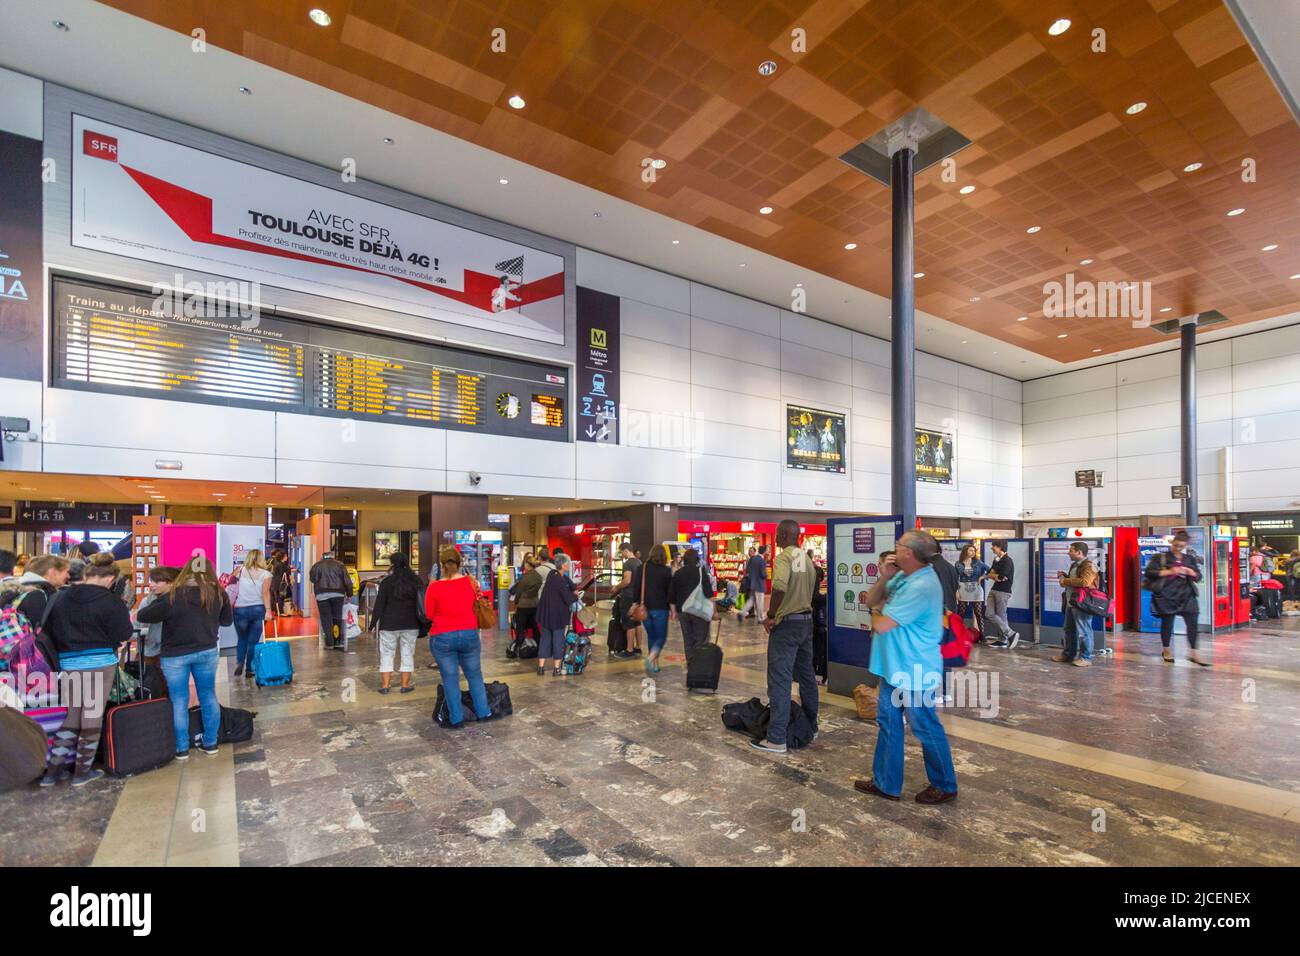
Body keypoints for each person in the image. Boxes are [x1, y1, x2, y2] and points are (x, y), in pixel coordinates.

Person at [852, 530, 958, 804]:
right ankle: (886, 783)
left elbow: (881, 623)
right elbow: (870, 600)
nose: (895, 549)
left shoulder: (922, 585)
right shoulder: (902, 576)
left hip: (914, 671)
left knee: (925, 727)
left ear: (909, 553)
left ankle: (945, 784)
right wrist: (885, 577)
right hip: (893, 668)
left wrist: (877, 612)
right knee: (888, 723)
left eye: (899, 546)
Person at [40, 553, 134, 787]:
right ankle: (83, 771)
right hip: (100, 663)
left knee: (72, 715)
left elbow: (47, 629)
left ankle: (52, 772)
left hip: (69, 663)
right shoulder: (111, 601)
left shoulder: (60, 598)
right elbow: (124, 633)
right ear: (110, 578)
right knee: (91, 716)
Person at [137, 555, 232, 760]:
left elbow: (143, 616)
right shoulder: (217, 593)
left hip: (175, 655)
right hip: (206, 651)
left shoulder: (174, 596)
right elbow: (226, 622)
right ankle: (211, 742)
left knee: (179, 700)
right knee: (208, 696)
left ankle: (181, 748)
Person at [751, 520, 819, 754]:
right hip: (806, 623)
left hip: (787, 625)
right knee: (807, 677)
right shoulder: (806, 560)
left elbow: (778, 586)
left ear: (781, 536)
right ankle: (812, 725)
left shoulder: (783, 558)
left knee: (780, 679)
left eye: (778, 536)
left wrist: (770, 615)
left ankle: (777, 737)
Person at [424, 545, 492, 727]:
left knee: (450, 678)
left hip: (443, 636)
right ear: (460, 563)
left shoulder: (434, 588)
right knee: (475, 675)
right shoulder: (471, 582)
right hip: (469, 633)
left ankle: (456, 719)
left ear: (441, 564)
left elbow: (429, 615)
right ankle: (484, 712)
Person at [1144, 531, 1209, 667]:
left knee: (1192, 623)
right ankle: (1166, 650)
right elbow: (1150, 572)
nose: (1178, 548)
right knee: (1167, 623)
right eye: (1176, 545)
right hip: (1167, 595)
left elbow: (1198, 577)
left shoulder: (1189, 559)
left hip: (1187, 595)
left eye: (1181, 546)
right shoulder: (1160, 558)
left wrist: (1192, 573)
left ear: (1185, 545)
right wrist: (1169, 571)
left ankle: (1193, 652)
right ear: (1172, 543)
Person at [372, 552, 423, 693]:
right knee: (407, 653)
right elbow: (421, 602)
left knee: (387, 653)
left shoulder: (387, 582)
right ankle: (405, 685)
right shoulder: (415, 580)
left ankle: (385, 686)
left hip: (389, 623)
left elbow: (379, 604)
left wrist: (372, 623)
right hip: (410, 622)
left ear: (392, 564)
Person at [535, 552, 582, 676]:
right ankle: (556, 669)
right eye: (568, 563)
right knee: (558, 640)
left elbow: (570, 583)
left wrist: (573, 588)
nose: (569, 565)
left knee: (545, 639)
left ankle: (541, 668)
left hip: (545, 614)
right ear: (563, 565)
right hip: (557, 616)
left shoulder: (553, 574)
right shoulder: (559, 581)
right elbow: (568, 598)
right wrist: (575, 596)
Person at [628, 544, 673, 674]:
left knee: (652, 636)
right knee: (661, 637)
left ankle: (654, 664)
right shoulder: (666, 571)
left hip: (645, 609)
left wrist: (635, 603)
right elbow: (669, 592)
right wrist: (672, 608)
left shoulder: (642, 568)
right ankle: (651, 658)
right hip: (661, 609)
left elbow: (637, 588)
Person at [230, 549, 273, 678]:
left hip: (240, 608)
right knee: (253, 641)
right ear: (261, 559)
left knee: (242, 638)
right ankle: (249, 669)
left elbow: (230, 586)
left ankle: (239, 662)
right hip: (258, 609)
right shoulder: (266, 574)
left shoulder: (240, 570)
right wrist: (269, 610)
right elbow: (265, 593)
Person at [1054, 542, 1097, 667]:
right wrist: (1065, 576)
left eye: (1071, 551)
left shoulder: (1089, 565)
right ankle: (1068, 654)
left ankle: (1086, 657)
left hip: (1082, 604)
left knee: (1084, 631)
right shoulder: (1075, 565)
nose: (1069, 553)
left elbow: (1085, 582)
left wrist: (1065, 580)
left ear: (1079, 552)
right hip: (1071, 603)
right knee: (1069, 630)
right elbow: (1076, 581)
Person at [670, 547, 714, 661]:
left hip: (683, 611)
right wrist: (714, 611)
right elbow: (709, 594)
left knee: (688, 640)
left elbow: (672, 595)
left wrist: (673, 612)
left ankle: (691, 663)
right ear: (697, 559)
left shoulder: (678, 573)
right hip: (699, 611)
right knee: (701, 639)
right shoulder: (701, 572)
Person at [309, 550, 353, 650]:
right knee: (337, 617)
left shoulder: (317, 565)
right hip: (338, 594)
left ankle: (329, 643)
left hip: (322, 594)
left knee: (326, 618)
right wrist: (349, 594)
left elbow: (313, 579)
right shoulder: (340, 565)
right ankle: (338, 641)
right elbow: (347, 581)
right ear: (332, 556)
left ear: (323, 557)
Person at [137, 565, 179, 665]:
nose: (151, 585)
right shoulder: (146, 602)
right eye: (151, 581)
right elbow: (136, 627)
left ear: (170, 582)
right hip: (150, 652)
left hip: (174, 651)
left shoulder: (180, 601)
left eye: (157, 582)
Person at [983, 539, 1021, 648]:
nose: (992, 548)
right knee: (989, 614)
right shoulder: (996, 559)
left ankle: (1003, 640)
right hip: (994, 589)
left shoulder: (1008, 561)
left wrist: (994, 576)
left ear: (1000, 547)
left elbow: (1000, 576)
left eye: (993, 546)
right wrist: (994, 576)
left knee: (1001, 616)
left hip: (1003, 592)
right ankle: (1010, 633)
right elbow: (991, 572)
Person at [613, 543, 644, 656]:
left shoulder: (628, 564)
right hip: (637, 597)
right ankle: (638, 647)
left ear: (626, 550)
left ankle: (629, 650)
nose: (621, 554)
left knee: (629, 623)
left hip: (628, 597)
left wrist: (616, 587)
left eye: (621, 552)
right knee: (637, 622)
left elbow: (627, 580)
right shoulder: (639, 562)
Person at [954, 544, 989, 637]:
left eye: (974, 551)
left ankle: (982, 635)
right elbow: (955, 577)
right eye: (970, 550)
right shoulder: (958, 563)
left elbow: (990, 570)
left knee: (978, 613)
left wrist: (982, 577)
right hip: (962, 588)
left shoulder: (979, 562)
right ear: (965, 551)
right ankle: (957, 634)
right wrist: (956, 590)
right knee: (961, 613)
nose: (973, 552)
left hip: (976, 589)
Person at [509, 553, 543, 646]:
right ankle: (539, 645)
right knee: (535, 627)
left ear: (527, 565)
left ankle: (519, 646)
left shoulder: (525, 577)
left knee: (521, 628)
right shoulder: (538, 576)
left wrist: (516, 602)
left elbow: (519, 592)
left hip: (523, 606)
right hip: (535, 604)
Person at [810, 550, 828, 683]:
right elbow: (816, 598)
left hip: (808, 624)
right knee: (817, 649)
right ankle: (817, 673)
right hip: (816, 625)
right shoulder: (814, 578)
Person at [744, 545, 767, 621]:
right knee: (760, 602)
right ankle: (760, 618)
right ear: (764, 551)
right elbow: (763, 574)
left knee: (754, 601)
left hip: (752, 584)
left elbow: (749, 571)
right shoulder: (761, 560)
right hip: (759, 584)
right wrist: (766, 576)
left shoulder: (752, 560)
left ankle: (753, 614)